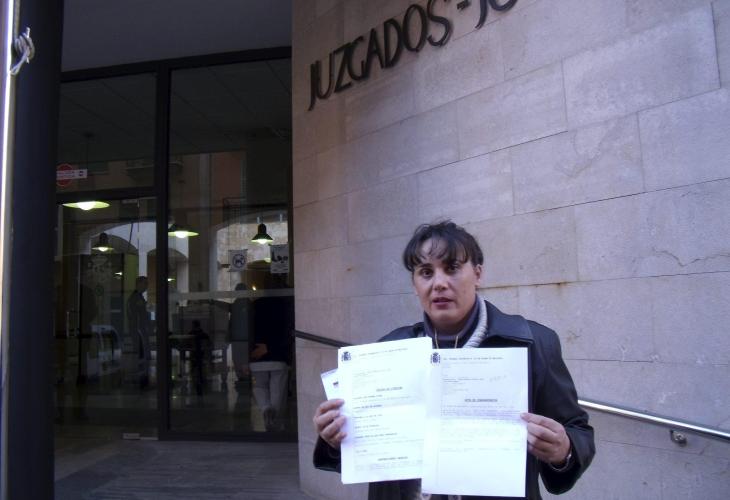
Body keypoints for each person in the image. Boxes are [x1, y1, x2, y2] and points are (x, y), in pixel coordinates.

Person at [312, 221, 595, 499]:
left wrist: (564, 450)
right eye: (426, 272)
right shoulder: (388, 350)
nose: (439, 284)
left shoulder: (533, 342)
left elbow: (576, 429)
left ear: (478, 274)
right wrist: (335, 438)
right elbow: (363, 452)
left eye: (452, 268)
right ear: (414, 284)